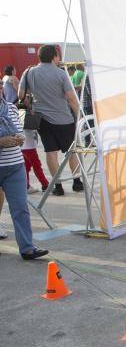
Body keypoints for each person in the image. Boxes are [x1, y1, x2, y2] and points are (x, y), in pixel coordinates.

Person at [18, 45, 82, 197]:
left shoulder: (29, 72)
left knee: (50, 153)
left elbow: (21, 94)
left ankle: (57, 186)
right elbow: (72, 98)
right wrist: (79, 115)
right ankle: (76, 182)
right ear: (54, 56)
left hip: (42, 120)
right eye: (58, 56)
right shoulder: (61, 74)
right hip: (64, 119)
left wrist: (32, 105)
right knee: (72, 151)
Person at [0, 92, 49, 260]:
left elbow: (18, 131)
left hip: (15, 166)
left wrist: (19, 139)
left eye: (0, 85)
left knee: (20, 208)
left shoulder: (11, 108)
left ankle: (27, 248)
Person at [21, 129, 48, 193]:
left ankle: (26, 186)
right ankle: (45, 185)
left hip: (26, 144)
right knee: (36, 165)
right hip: (28, 145)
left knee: (26, 166)